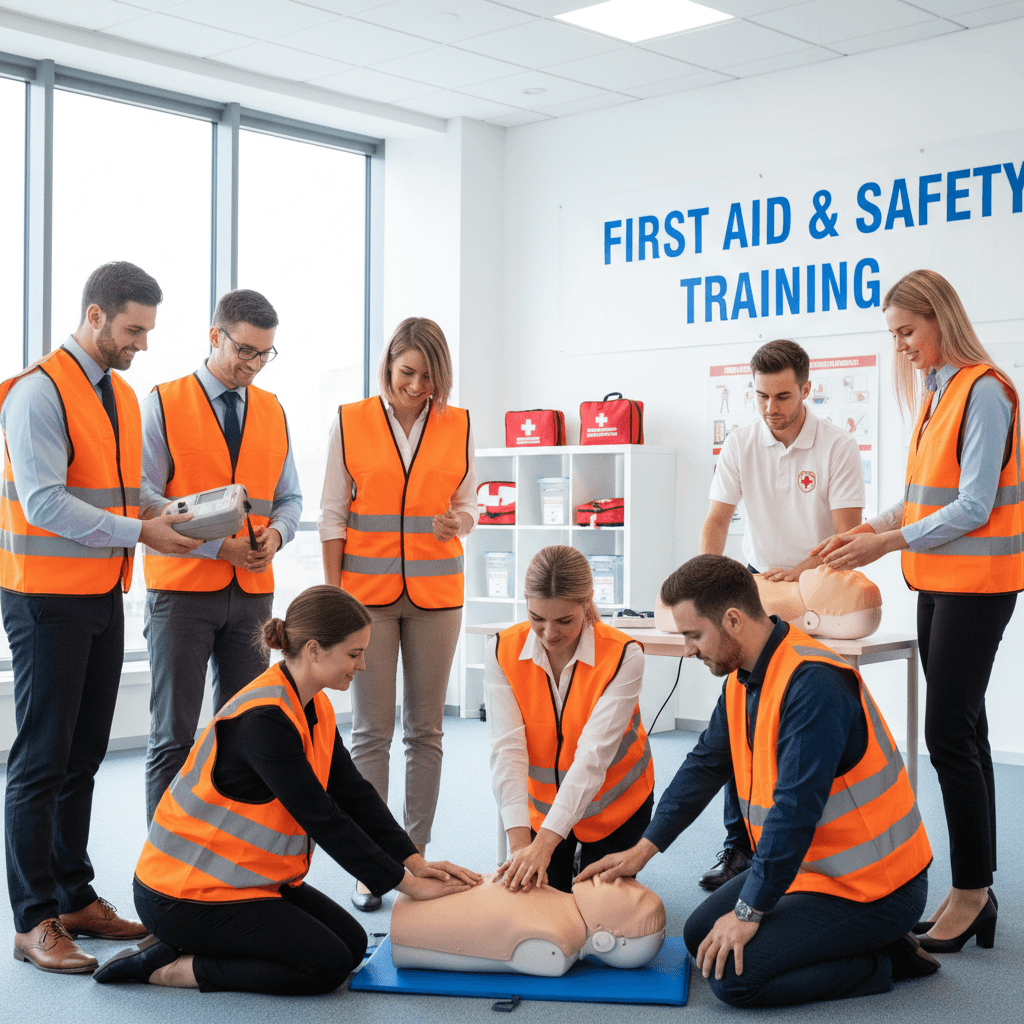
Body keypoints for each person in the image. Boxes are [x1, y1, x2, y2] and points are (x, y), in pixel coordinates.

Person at [579, 555, 937, 1009]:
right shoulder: (743, 678)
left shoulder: (814, 685)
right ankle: (846, 941)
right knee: (698, 936)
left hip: (876, 887)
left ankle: (884, 959)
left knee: (734, 980)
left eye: (694, 634)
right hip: (809, 871)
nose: (688, 649)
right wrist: (642, 849)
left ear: (732, 620)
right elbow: (704, 765)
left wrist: (750, 911)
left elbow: (794, 810)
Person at [93, 585, 481, 994]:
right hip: (183, 895)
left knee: (350, 946)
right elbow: (322, 815)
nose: (363, 665)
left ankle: (189, 948)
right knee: (325, 967)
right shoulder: (265, 720)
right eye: (354, 653)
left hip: (245, 882)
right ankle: (170, 968)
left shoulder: (312, 704)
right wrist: (404, 883)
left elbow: (354, 795)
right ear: (314, 650)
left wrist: (413, 860)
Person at [1, 263, 202, 974]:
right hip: (43, 598)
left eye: (147, 330)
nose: (142, 344)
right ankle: (33, 920)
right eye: (132, 330)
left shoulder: (114, 392)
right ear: (94, 316)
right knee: (40, 760)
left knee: (83, 756)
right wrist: (141, 533)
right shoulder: (37, 393)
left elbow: (123, 488)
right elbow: (46, 502)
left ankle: (76, 896)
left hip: (97, 594)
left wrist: (170, 510)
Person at [815, 269, 1022, 954]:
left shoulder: (985, 391)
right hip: (938, 579)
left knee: (947, 737)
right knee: (967, 729)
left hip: (979, 583)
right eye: (894, 334)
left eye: (907, 330)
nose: (901, 345)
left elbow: (974, 506)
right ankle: (978, 888)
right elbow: (920, 499)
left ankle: (969, 892)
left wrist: (887, 542)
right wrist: (863, 533)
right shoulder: (938, 392)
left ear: (940, 319)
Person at [319, 317, 477, 911]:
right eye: (406, 372)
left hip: (438, 595)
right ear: (387, 365)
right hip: (366, 599)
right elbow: (333, 515)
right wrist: (332, 598)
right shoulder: (350, 421)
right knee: (370, 732)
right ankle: (372, 861)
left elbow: (469, 503)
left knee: (427, 731)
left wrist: (459, 522)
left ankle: (414, 853)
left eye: (428, 376)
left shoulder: (456, 423)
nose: (416, 386)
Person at [697, 339, 865, 891]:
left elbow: (846, 535)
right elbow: (717, 520)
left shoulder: (837, 446)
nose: (772, 407)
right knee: (741, 720)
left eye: (784, 395)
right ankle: (739, 844)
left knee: (804, 729)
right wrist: (708, 576)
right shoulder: (742, 444)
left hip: (818, 590)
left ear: (807, 389)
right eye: (763, 396)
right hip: (761, 594)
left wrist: (801, 571)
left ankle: (811, 848)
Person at [139, 289, 302, 823]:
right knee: (173, 736)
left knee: (245, 731)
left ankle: (228, 858)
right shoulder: (163, 402)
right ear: (215, 336)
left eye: (265, 354)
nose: (254, 365)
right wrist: (218, 546)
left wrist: (276, 537)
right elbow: (145, 497)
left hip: (253, 597)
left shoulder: (274, 409)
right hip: (181, 590)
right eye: (246, 350)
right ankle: (163, 869)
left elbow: (290, 498)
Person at [485, 545, 655, 894]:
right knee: (542, 909)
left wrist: (543, 846)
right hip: (542, 810)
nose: (549, 634)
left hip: (615, 807)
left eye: (565, 620)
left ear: (588, 601)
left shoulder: (625, 655)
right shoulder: (501, 650)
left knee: (600, 918)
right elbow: (508, 751)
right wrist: (521, 849)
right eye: (537, 618)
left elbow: (593, 757)